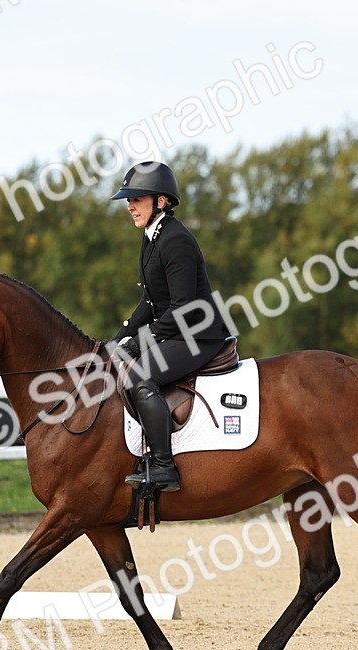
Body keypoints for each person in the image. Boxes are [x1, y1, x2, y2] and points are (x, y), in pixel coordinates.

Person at [109, 161, 230, 492]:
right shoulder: (152, 238)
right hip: (177, 330)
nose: (129, 206)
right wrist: (118, 339)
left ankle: (164, 466)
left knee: (140, 375)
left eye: (137, 199)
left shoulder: (175, 240)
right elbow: (150, 302)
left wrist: (140, 342)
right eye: (128, 200)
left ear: (160, 201)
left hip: (199, 334)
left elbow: (182, 308)